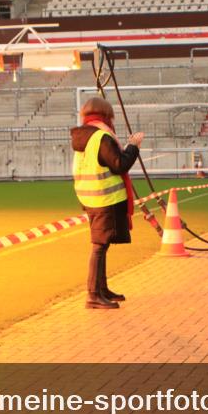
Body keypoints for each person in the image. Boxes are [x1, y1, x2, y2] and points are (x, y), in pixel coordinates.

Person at [70, 97, 144, 310]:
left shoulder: (84, 136)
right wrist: (133, 146)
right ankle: (93, 294)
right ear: (106, 115)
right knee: (99, 246)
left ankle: (101, 289)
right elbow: (120, 164)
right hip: (105, 199)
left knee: (102, 245)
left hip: (90, 198)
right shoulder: (101, 137)